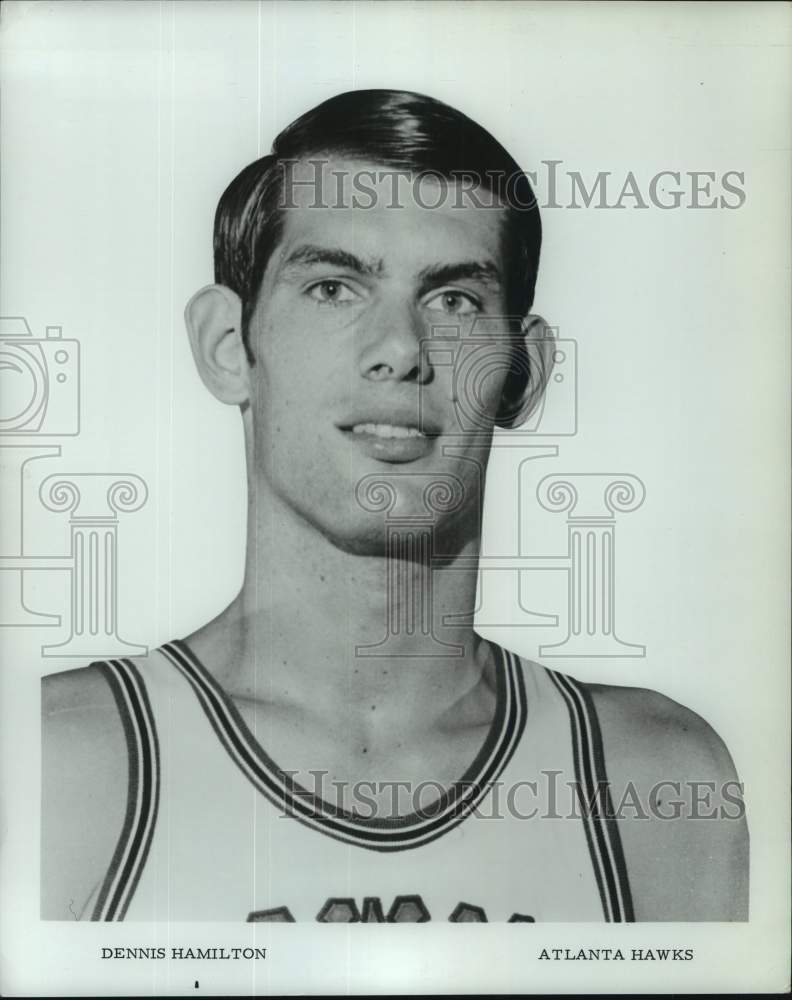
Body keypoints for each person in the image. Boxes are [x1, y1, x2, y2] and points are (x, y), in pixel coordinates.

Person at [41, 89, 748, 923]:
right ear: (229, 347)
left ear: (525, 372)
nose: (401, 351)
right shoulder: (64, 766)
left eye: (454, 301)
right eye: (334, 288)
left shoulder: (650, 784)